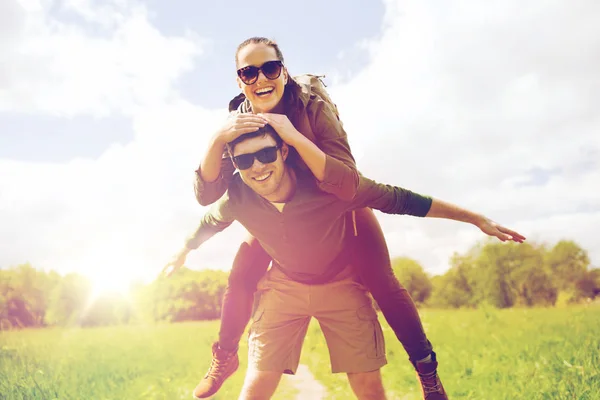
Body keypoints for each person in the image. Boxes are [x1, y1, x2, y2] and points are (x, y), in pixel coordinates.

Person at [175, 36, 525, 400]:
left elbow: (352, 184)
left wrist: (474, 219)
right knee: (243, 268)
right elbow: (209, 200)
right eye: (249, 72)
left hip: (338, 199)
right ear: (239, 80)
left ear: (284, 70)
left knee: (381, 280)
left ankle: (427, 370)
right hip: (276, 208)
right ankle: (225, 357)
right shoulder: (240, 124)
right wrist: (216, 140)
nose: (260, 78)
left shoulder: (312, 110)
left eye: (270, 68)